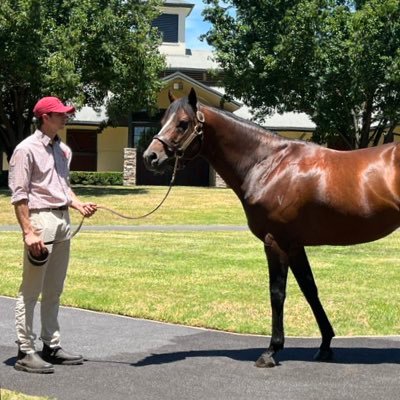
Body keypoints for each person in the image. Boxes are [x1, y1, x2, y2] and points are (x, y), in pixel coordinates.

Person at [8, 96, 97, 374]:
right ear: (45, 117)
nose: (66, 117)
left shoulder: (63, 150)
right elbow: (19, 195)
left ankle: (51, 345)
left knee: (54, 289)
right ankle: (25, 350)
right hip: (40, 221)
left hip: (62, 220)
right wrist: (28, 232)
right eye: (60, 114)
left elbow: (63, 186)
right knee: (31, 290)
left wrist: (78, 203)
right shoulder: (26, 150)